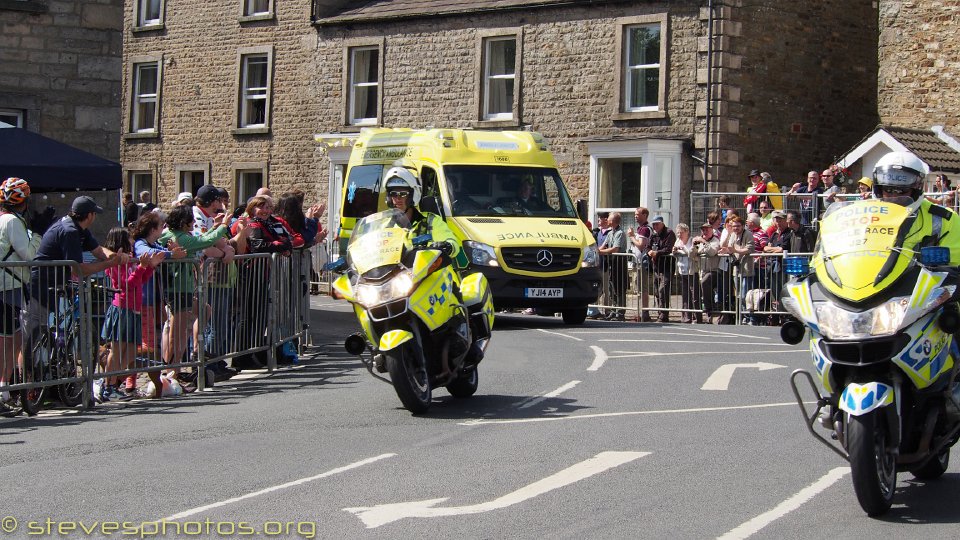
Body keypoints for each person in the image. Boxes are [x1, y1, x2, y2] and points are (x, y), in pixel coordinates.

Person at [24, 196, 130, 394]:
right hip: (44, 283)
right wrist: (109, 264)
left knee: (54, 330)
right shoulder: (70, 231)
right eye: (94, 214)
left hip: (57, 282)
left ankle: (55, 379)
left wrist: (113, 256)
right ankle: (29, 385)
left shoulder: (78, 228)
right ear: (89, 216)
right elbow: (79, 269)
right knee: (36, 331)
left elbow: (98, 250)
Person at [97, 227, 164, 402]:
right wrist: (142, 267)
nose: (133, 242)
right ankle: (108, 386)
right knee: (118, 349)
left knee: (132, 349)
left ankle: (113, 381)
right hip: (122, 307)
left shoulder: (130, 259)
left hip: (134, 308)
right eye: (129, 238)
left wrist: (150, 267)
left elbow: (141, 279)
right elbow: (126, 284)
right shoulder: (116, 262)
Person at [0, 178, 43, 416]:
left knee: (10, 340)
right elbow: (28, 254)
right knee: (9, 343)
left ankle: (4, 392)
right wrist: (37, 233)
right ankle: (2, 393)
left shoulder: (1, 218)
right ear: (24, 202)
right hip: (9, 287)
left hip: (7, 286)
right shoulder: (11, 222)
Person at [872, 151, 960, 263]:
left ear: (916, 190)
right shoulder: (864, 215)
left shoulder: (946, 220)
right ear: (878, 190)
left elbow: (955, 263)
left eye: (901, 191)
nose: (894, 196)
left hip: (919, 279)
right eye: (888, 190)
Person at [598, 212, 627, 321]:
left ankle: (620, 313)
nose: (606, 221)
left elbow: (615, 249)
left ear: (613, 221)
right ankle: (613, 311)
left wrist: (601, 252)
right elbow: (603, 246)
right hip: (611, 263)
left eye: (608, 219)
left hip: (619, 262)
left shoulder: (620, 233)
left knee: (619, 288)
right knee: (611, 288)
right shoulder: (610, 233)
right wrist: (597, 250)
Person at [647, 216, 677, 323]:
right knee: (656, 291)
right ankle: (660, 313)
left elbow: (668, 249)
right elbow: (648, 246)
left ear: (662, 223)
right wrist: (650, 252)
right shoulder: (654, 235)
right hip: (656, 267)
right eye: (653, 224)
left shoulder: (669, 233)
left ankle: (664, 315)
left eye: (657, 224)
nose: (655, 226)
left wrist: (657, 253)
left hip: (667, 266)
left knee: (662, 290)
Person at [627, 207, 653, 322]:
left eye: (638, 214)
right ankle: (640, 312)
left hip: (643, 262)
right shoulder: (640, 228)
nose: (635, 216)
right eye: (635, 214)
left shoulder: (645, 229)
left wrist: (632, 236)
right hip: (637, 262)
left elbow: (641, 245)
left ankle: (645, 313)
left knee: (643, 288)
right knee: (639, 288)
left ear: (645, 215)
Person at [672, 223, 701, 323]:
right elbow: (675, 254)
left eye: (681, 232)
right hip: (681, 271)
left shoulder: (692, 241)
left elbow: (692, 253)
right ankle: (686, 317)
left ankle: (697, 317)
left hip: (692, 271)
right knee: (685, 295)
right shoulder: (678, 241)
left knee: (694, 295)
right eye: (678, 233)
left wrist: (682, 249)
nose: (679, 235)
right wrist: (674, 251)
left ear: (687, 232)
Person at [692, 222, 721, 323]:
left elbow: (712, 252)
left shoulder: (715, 241)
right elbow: (692, 255)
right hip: (701, 271)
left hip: (713, 271)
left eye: (707, 230)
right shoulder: (700, 242)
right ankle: (699, 317)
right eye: (703, 230)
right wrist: (693, 245)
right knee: (696, 292)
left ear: (711, 230)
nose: (704, 232)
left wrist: (703, 241)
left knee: (705, 282)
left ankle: (709, 309)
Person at [587, 212, 611, 320]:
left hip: (607, 264)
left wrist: (599, 250)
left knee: (607, 289)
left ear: (606, 220)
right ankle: (593, 310)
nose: (598, 222)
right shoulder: (598, 233)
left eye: (600, 219)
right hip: (598, 264)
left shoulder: (610, 232)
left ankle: (607, 310)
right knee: (597, 288)